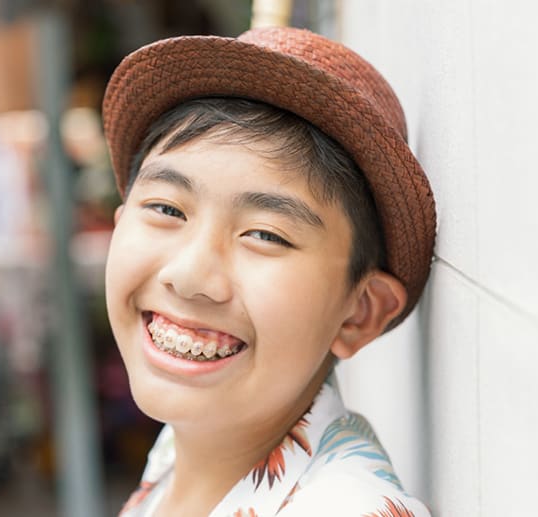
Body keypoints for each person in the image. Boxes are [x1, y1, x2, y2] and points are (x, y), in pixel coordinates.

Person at [101, 26, 436, 516]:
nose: (190, 275)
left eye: (265, 235)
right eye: (167, 209)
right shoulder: (178, 449)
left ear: (358, 312)